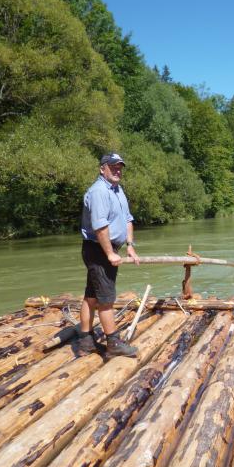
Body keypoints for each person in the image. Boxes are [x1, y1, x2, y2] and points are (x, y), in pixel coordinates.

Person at [76, 152, 140, 357]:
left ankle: (86, 341)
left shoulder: (117, 190)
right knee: (106, 300)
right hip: (98, 250)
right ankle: (113, 344)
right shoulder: (99, 192)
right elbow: (100, 227)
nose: (117, 170)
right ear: (102, 168)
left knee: (91, 296)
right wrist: (110, 253)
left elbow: (128, 219)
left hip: (107, 249)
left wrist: (129, 245)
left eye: (120, 166)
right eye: (113, 166)